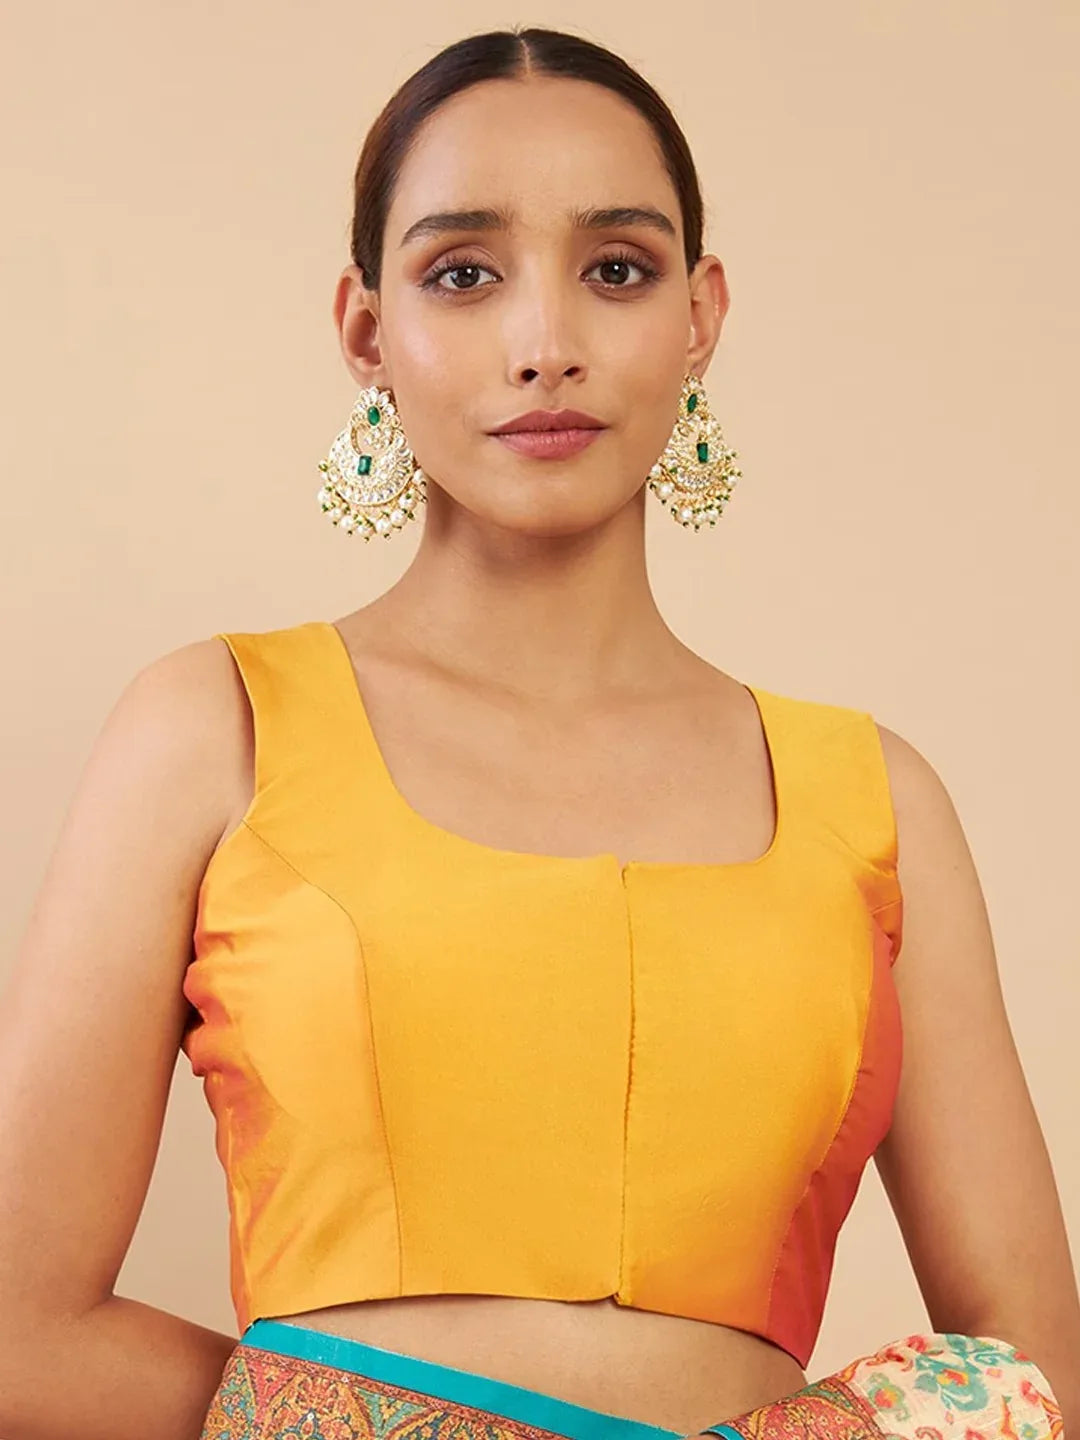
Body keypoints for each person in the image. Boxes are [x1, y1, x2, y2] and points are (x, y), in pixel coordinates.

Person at [0, 24, 1075, 1440]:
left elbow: (1031, 1370)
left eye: (615, 271)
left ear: (700, 315)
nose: (545, 344)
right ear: (367, 331)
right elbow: (19, 1331)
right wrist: (369, 1427)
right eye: (464, 274)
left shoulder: (874, 801)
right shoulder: (217, 731)